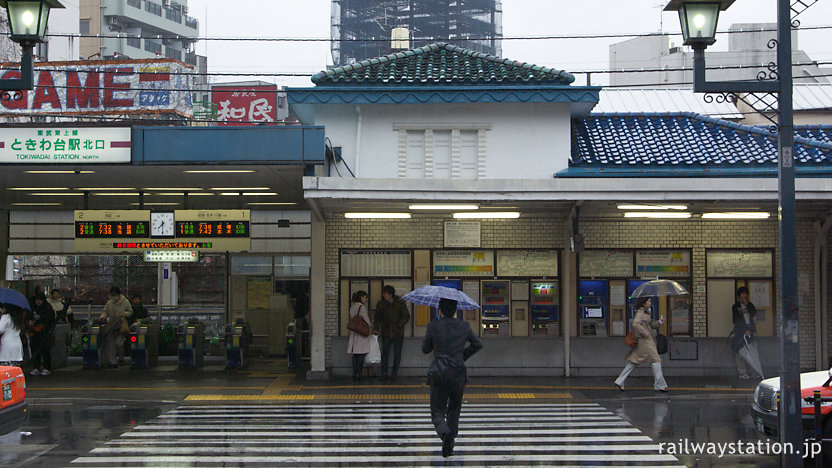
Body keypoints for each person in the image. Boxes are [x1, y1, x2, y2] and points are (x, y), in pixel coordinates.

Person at [422, 298, 483, 458]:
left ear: (440, 310)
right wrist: (461, 356)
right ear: (455, 310)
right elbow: (477, 344)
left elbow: (425, 349)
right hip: (458, 373)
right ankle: (451, 440)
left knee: (437, 412)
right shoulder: (464, 326)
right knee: (454, 409)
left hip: (440, 373)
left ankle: (445, 434)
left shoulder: (434, 326)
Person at [614, 297, 668, 392]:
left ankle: (619, 381)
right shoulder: (641, 312)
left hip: (645, 341)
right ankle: (660, 385)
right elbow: (635, 324)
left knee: (634, 361)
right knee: (656, 360)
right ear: (643, 303)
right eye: (649, 301)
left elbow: (650, 324)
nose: (650, 303)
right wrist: (645, 332)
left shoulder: (646, 312)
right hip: (646, 340)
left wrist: (659, 322)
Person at [373, 285, 411, 381]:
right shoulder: (381, 304)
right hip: (386, 332)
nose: (384, 295)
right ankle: (384, 373)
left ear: (390, 295)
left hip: (398, 333)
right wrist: (376, 329)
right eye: (383, 293)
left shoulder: (400, 303)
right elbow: (377, 318)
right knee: (385, 354)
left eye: (385, 294)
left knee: (397, 354)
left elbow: (406, 316)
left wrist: (399, 324)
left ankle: (394, 374)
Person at [99, 286, 132, 368]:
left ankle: (121, 358)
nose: (113, 297)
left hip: (121, 325)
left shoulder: (125, 302)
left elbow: (130, 311)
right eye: (112, 295)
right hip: (112, 325)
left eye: (114, 295)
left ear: (118, 294)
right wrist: (103, 317)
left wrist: (124, 314)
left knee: (119, 342)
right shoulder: (109, 303)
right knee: (111, 344)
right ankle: (113, 361)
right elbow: (105, 312)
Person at [731, 286, 760, 379]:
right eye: (743, 293)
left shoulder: (750, 305)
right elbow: (736, 319)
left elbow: (754, 313)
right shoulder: (735, 306)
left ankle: (752, 372)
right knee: (740, 352)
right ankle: (742, 372)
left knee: (750, 352)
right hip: (740, 332)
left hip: (749, 331)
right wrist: (743, 330)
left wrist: (747, 304)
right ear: (739, 295)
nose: (745, 295)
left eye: (746, 294)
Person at [28, 293, 55, 376]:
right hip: (34, 333)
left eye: (40, 299)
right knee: (35, 350)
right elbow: (27, 317)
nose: (38, 301)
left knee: (45, 350)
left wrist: (41, 318)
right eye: (36, 300)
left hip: (44, 333)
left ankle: (47, 367)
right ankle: (36, 367)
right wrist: (29, 322)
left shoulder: (47, 308)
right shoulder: (32, 308)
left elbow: (50, 319)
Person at [346, 291, 372, 380]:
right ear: (361, 297)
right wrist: (370, 326)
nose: (366, 300)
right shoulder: (361, 307)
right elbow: (366, 320)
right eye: (365, 297)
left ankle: (355, 373)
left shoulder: (352, 306)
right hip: (361, 333)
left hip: (354, 331)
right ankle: (358, 373)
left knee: (355, 354)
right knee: (361, 354)